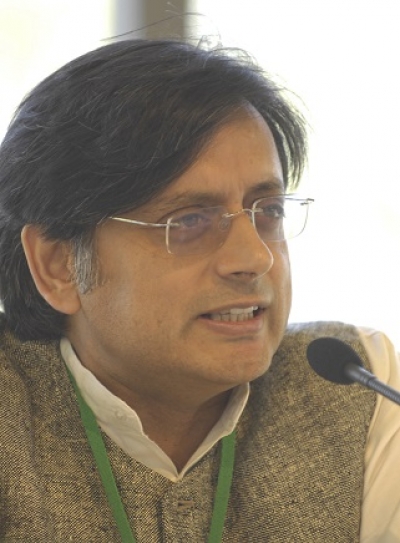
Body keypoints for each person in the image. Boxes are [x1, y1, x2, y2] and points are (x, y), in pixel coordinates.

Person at [0, 38, 399, 543]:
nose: (255, 258)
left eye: (269, 211)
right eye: (189, 220)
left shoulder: (357, 385)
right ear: (58, 265)